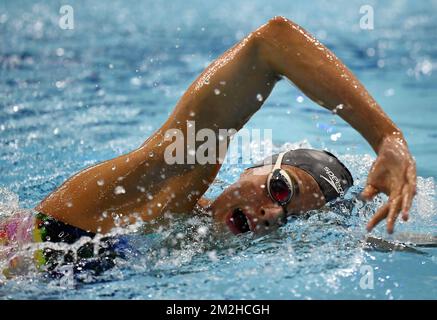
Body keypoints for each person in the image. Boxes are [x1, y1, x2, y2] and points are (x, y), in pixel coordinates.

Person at [1, 16, 417, 274]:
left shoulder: (201, 248)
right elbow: (273, 44)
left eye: (289, 219)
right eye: (280, 188)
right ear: (252, 167)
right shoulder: (169, 180)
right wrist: (386, 138)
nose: (272, 214)